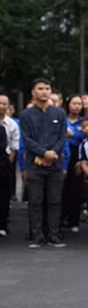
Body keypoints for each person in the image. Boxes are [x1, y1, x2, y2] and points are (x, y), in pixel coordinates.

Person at [19, 78, 68, 248]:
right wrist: (43, 153)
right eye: (40, 88)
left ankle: (54, 234)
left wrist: (52, 153)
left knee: (55, 200)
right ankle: (37, 235)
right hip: (35, 164)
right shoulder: (26, 115)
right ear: (33, 92)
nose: (44, 92)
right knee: (35, 201)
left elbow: (62, 136)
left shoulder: (60, 113)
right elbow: (26, 139)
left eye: (47, 88)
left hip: (55, 163)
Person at [61, 94, 86, 233]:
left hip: (78, 154)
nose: (76, 106)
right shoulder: (62, 119)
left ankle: (74, 220)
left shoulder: (84, 121)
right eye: (74, 103)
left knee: (76, 188)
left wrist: (74, 134)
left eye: (79, 104)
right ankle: (61, 218)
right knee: (62, 188)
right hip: (64, 153)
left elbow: (87, 137)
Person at [0, 93, 20, 237]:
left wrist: (9, 161)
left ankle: (2, 224)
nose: (1, 106)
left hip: (4, 161)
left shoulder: (12, 123)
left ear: (8, 107)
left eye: (4, 104)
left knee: (4, 194)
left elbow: (14, 145)